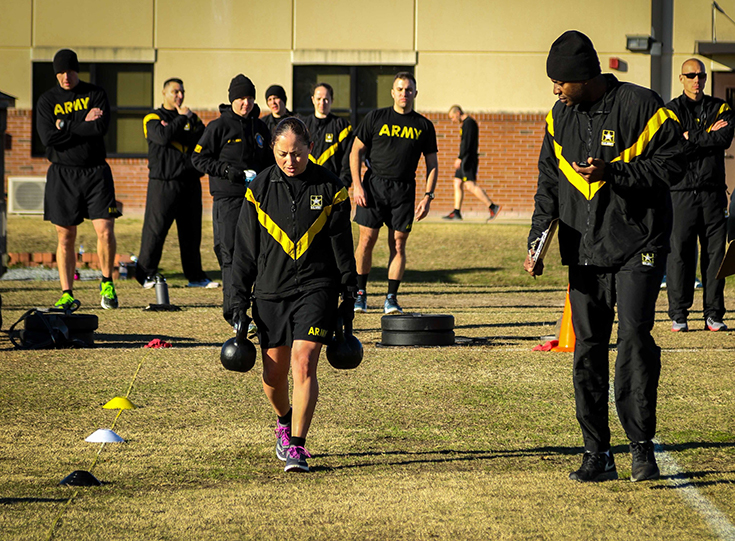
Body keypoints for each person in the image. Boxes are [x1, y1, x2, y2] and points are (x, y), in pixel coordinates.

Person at [524, 31, 685, 483]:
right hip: (585, 250)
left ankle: (640, 448)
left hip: (639, 245)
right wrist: (538, 241)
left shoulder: (641, 104)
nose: (555, 90)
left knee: (634, 340)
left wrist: (614, 173)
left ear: (584, 76)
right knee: (587, 352)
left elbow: (675, 161)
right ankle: (597, 452)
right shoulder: (560, 117)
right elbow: (548, 183)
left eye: (560, 82)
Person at [231, 117, 357, 472]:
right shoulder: (257, 190)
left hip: (317, 288)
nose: (291, 161)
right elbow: (243, 251)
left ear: (310, 150)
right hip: (271, 291)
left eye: (298, 154)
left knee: (304, 362)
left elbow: (341, 246)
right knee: (273, 374)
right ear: (273, 149)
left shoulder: (331, 188)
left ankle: (297, 446)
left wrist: (350, 292)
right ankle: (284, 420)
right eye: (284, 153)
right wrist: (237, 301)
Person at [36, 49, 121, 310]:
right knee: (65, 236)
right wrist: (78, 123)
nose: (65, 77)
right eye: (60, 73)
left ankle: (106, 282)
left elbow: (99, 128)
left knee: (105, 230)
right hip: (62, 174)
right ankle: (67, 293)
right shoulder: (47, 101)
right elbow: (48, 138)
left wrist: (64, 124)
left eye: (69, 71)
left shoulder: (95, 94)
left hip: (96, 172)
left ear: (77, 70)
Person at [351, 72, 439, 314]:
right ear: (392, 92)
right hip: (373, 187)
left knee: (398, 245)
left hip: (403, 190)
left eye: (408, 90)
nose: (404, 94)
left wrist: (427, 196)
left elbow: (433, 165)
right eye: (400, 89)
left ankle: (391, 298)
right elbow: (355, 151)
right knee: (366, 241)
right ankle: (360, 294)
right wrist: (357, 185)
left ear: (415, 93)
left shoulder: (423, 126)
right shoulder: (376, 117)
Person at [191, 74, 273, 324]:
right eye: (240, 98)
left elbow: (270, 161)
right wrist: (228, 172)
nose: (245, 103)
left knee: (259, 254)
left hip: (255, 201)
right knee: (230, 253)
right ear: (232, 100)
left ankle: (260, 312)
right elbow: (198, 159)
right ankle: (234, 313)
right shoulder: (218, 127)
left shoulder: (260, 127)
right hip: (228, 200)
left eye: (249, 98)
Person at [665, 59, 733, 332]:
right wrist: (705, 134)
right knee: (680, 254)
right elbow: (673, 145)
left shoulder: (721, 107)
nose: (697, 80)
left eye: (701, 75)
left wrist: (689, 136)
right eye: (691, 75)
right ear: (681, 78)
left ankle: (714, 314)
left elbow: (724, 139)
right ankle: (679, 314)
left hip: (713, 194)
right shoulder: (670, 110)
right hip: (680, 194)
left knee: (716, 256)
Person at [136, 77, 219, 289]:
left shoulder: (194, 118)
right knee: (155, 231)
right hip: (163, 183)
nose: (179, 96)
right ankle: (146, 275)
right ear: (164, 93)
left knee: (191, 233)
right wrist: (181, 121)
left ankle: (196, 277)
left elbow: (201, 140)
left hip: (190, 182)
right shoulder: (153, 117)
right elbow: (162, 137)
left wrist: (177, 130)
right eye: (175, 92)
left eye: (182, 92)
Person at [442, 105, 500, 221]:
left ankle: (492, 206)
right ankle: (456, 212)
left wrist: (460, 157)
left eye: (453, 117)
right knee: (457, 182)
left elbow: (467, 144)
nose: (453, 120)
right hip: (464, 159)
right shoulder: (465, 124)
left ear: (458, 113)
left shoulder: (469, 123)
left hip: (468, 159)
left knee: (470, 185)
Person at [303, 82, 353, 186]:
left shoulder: (342, 126)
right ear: (312, 99)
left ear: (332, 101)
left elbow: (347, 161)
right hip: (306, 185)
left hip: (332, 186)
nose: (322, 103)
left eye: (326, 99)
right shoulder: (303, 125)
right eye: (318, 99)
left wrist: (342, 185)